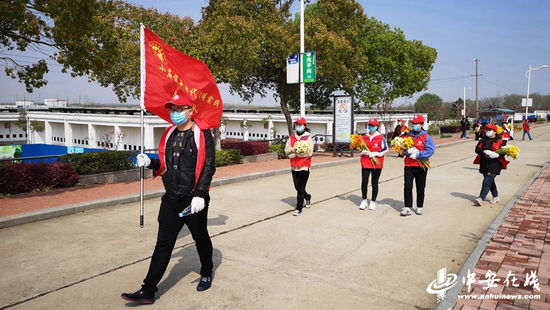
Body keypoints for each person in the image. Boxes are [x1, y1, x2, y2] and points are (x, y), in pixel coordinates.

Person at [121, 95, 216, 304]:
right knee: (163, 243)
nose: (175, 113)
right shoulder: (170, 133)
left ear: (191, 110)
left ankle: (207, 272)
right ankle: (148, 290)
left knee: (200, 237)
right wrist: (150, 162)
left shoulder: (202, 134)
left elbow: (208, 166)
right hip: (171, 198)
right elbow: (166, 163)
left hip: (193, 199)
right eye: (172, 109)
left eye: (180, 109)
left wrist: (200, 194)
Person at [400, 115, 435, 216]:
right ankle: (407, 207)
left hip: (421, 166)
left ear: (422, 124)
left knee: (420, 187)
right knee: (407, 186)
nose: (414, 125)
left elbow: (430, 150)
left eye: (416, 124)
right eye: (413, 123)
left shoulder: (426, 137)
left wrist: (419, 155)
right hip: (409, 165)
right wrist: (407, 152)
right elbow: (401, 149)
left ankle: (419, 206)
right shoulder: (407, 136)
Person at [473, 123, 509, 206]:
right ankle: (495, 196)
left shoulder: (501, 142)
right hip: (484, 164)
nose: (487, 132)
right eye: (487, 130)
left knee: (486, 181)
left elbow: (503, 153)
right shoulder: (482, 140)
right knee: (490, 181)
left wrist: (497, 155)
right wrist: (484, 151)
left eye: (490, 130)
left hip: (495, 165)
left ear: (495, 132)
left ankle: (481, 198)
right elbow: (477, 150)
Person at [285, 117, 314, 216]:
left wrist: (298, 153)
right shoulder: (292, 137)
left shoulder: (308, 138)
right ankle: (307, 197)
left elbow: (309, 153)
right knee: (297, 187)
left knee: (301, 186)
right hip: (294, 165)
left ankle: (298, 207)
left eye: (300, 125)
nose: (298, 127)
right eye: (296, 125)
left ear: (304, 126)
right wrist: (293, 149)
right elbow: (286, 149)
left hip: (304, 166)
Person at [359, 118, 388, 210]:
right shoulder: (364, 137)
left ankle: (373, 201)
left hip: (376, 163)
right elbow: (360, 147)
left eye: (372, 126)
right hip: (366, 162)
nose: (370, 127)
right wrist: (362, 151)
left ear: (377, 126)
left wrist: (375, 153)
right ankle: (364, 200)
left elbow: (385, 149)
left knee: (374, 183)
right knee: (364, 182)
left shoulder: (381, 138)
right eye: (369, 125)